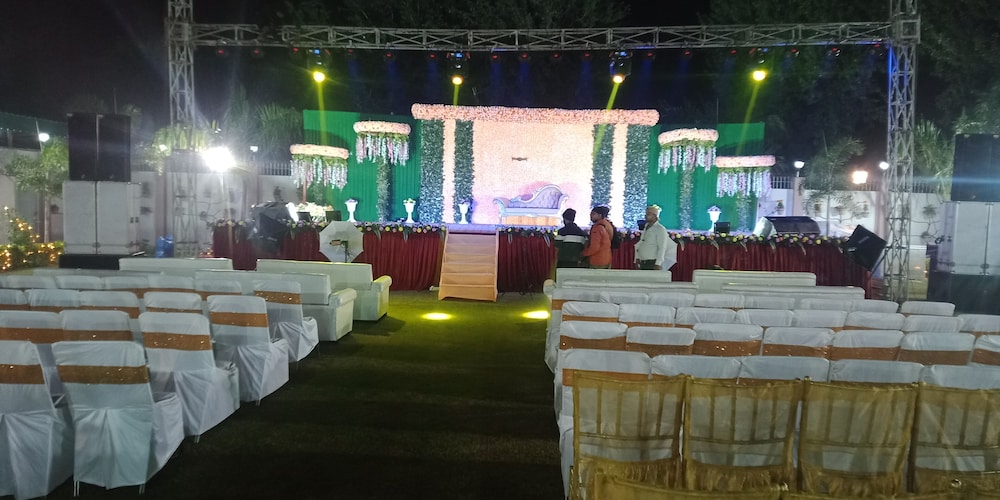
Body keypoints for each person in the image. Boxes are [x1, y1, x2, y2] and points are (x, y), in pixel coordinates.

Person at [634, 204, 677, 270]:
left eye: (648, 214)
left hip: (652, 263)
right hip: (642, 262)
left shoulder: (660, 229)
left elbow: (662, 247)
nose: (645, 216)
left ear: (655, 216)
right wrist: (637, 258)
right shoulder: (646, 227)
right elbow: (641, 243)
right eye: (646, 214)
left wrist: (658, 263)